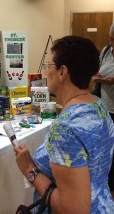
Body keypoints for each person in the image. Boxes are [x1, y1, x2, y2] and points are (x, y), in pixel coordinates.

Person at [14, 35, 114, 213]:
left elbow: (73, 209)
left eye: (49, 66)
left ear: (62, 72)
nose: (46, 72)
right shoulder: (98, 106)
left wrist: (30, 169)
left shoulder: (66, 128)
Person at [93, 23, 114, 198]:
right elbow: (96, 72)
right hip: (105, 108)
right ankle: (106, 182)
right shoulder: (106, 51)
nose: (111, 41)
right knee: (107, 147)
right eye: (111, 37)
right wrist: (98, 77)